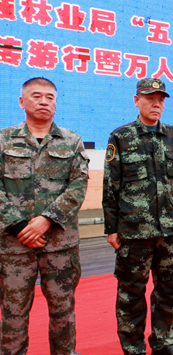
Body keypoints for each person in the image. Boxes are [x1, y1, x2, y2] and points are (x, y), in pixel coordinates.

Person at [0, 77, 89, 355]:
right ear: (21, 101)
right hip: (14, 246)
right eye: (36, 96)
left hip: (60, 244)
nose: (43, 101)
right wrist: (17, 226)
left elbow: (78, 185)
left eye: (50, 97)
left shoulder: (72, 141)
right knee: (13, 313)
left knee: (63, 311)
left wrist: (46, 219)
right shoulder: (3, 140)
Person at [102, 78, 173, 355]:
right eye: (150, 98)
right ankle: (133, 346)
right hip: (134, 230)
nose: (156, 104)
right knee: (131, 292)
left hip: (169, 229)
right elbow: (111, 185)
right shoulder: (121, 137)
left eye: (160, 99)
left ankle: (164, 341)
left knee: (167, 288)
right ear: (136, 100)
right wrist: (111, 227)